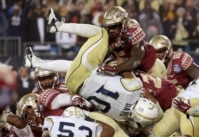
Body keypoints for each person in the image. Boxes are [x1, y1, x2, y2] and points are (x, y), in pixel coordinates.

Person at [24, 6, 167, 95]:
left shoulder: (133, 29)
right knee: (77, 64)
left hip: (150, 67)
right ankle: (37, 60)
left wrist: (114, 68)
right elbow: (107, 54)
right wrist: (111, 51)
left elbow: (136, 59)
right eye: (109, 27)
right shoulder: (108, 33)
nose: (112, 30)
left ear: (124, 23)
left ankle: (58, 28)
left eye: (115, 27)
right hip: (126, 68)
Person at [41, 106, 115, 137]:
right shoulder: (91, 126)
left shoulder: (52, 119)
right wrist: (90, 119)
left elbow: (45, 136)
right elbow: (110, 130)